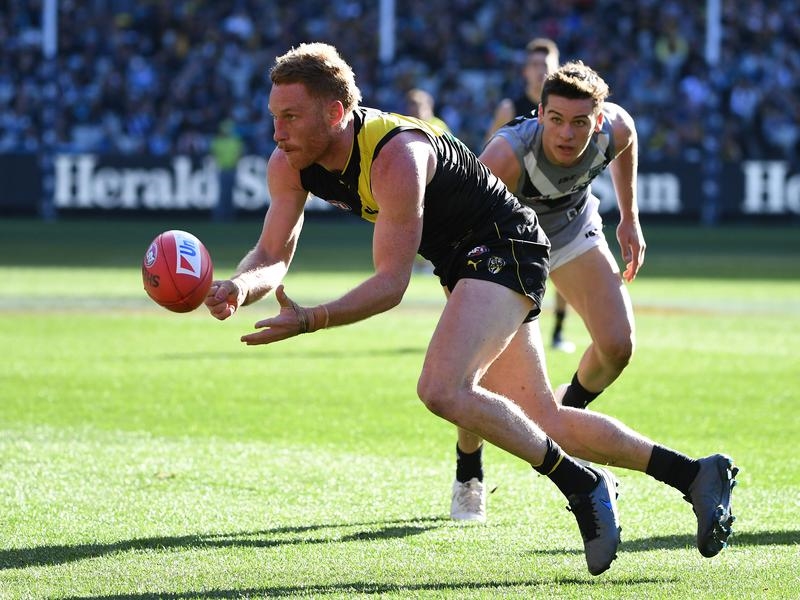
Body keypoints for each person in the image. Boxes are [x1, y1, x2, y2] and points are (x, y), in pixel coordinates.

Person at [205, 43, 737, 574]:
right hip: (467, 263)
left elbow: (390, 284)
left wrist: (310, 318)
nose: (278, 132)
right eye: (275, 117)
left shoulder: (396, 154)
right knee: (544, 419)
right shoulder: (290, 162)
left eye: (291, 117)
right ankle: (694, 474)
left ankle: (581, 485)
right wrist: (240, 286)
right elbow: (271, 253)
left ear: (335, 112)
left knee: (441, 388)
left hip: (506, 245)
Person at [485, 37, 575, 354]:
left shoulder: (565, 107)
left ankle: (559, 330)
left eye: (545, 65)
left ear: (556, 70)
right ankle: (508, 333)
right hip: (519, 206)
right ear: (525, 70)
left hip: (556, 202)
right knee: (515, 272)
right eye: (534, 65)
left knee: (564, 267)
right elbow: (489, 153)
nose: (540, 71)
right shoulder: (509, 108)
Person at [210, 119, 244, 221]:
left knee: (228, 193)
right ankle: (223, 215)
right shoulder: (220, 141)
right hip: (223, 170)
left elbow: (239, 153)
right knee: (224, 193)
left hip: (230, 170)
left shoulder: (227, 141)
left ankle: (227, 215)